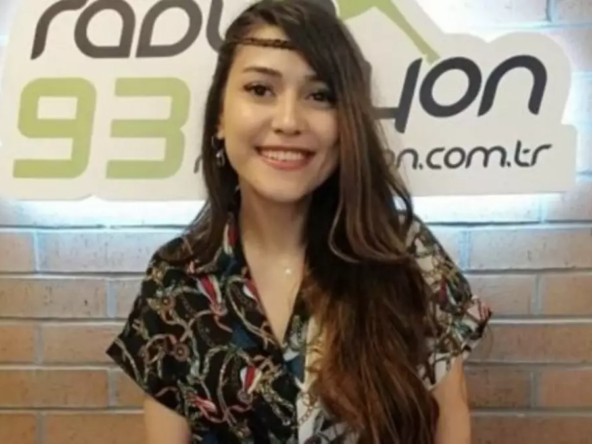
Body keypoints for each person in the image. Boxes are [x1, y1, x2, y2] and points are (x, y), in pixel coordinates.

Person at [106, 1, 492, 443]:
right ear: (219, 118)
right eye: (260, 89)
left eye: (319, 95)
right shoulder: (176, 280)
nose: (289, 121)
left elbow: (450, 420)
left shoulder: (405, 254)